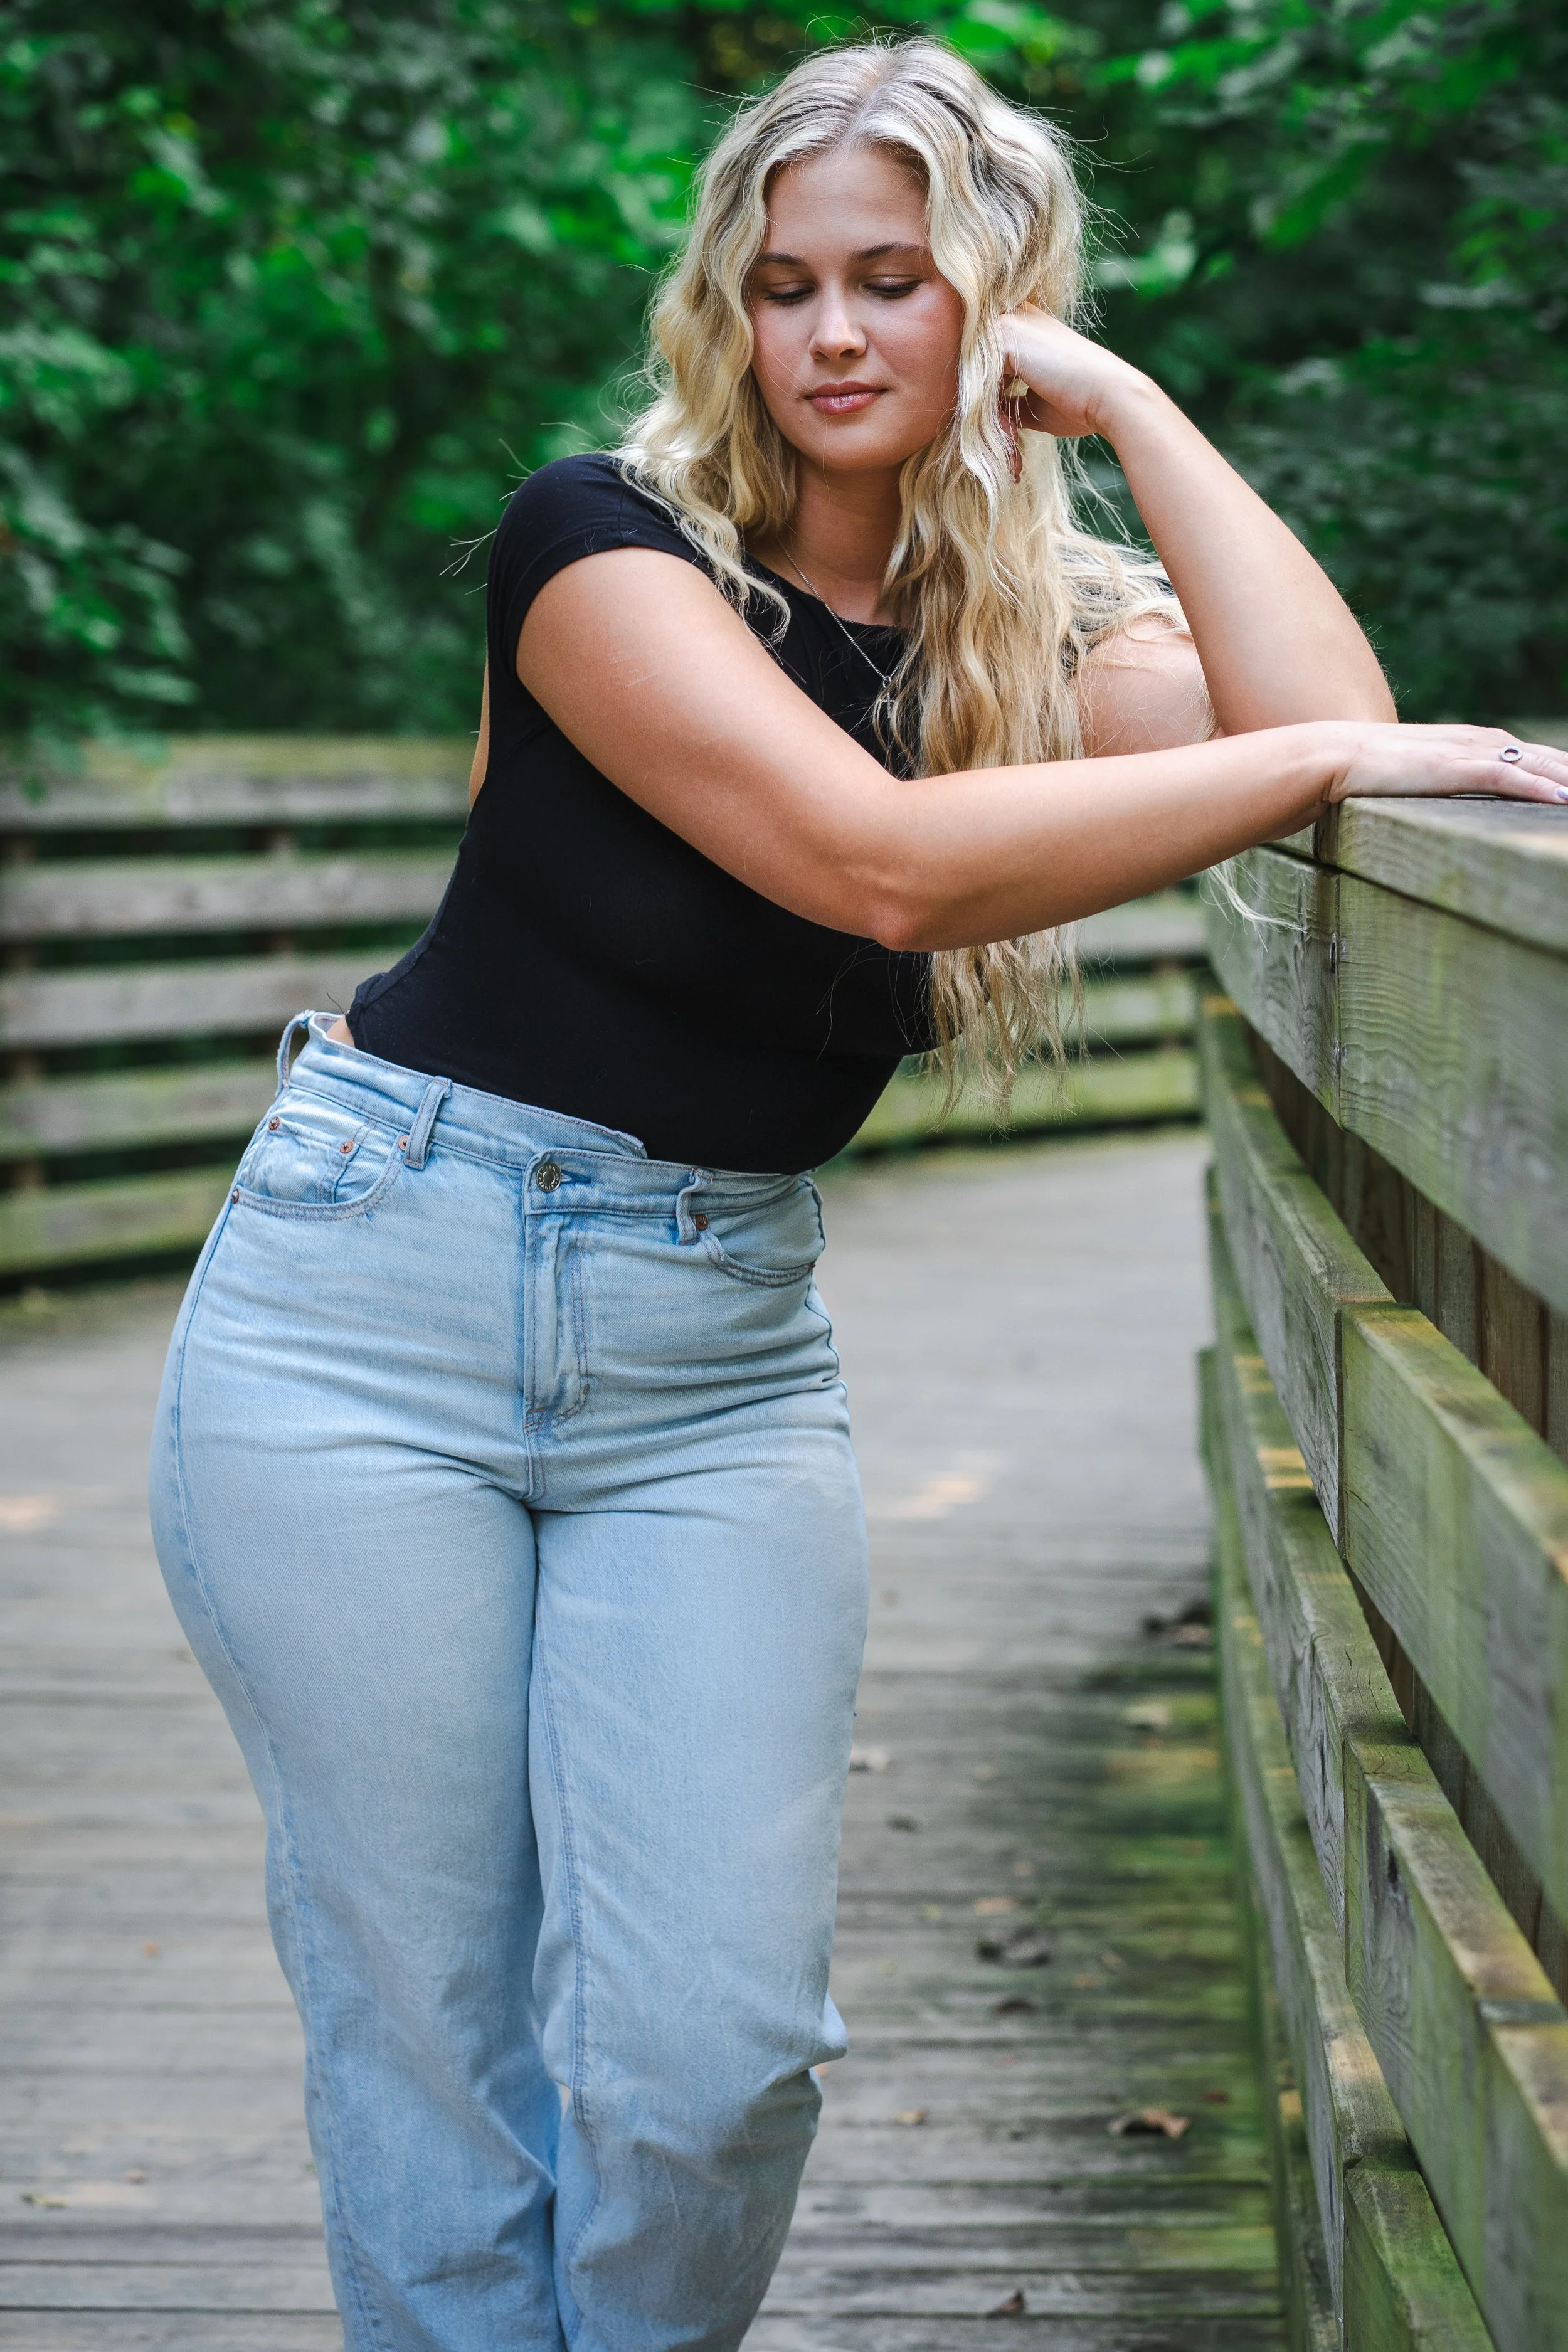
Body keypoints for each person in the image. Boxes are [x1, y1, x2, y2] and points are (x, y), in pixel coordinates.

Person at [147, 36, 1566, 2352]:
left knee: (714, 2059)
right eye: (787, 280)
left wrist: (1124, 411)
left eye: (896, 281)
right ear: (728, 307)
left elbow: (1337, 712)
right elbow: (871, 869)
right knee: (432, 2033)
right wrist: (1302, 750)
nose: (829, 330)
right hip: (365, 1303)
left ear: (985, 306)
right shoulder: (594, 548)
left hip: (710, 1358)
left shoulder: (1024, 652)